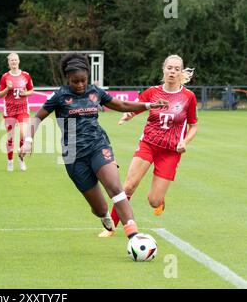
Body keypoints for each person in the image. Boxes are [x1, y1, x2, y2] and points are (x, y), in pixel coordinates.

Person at [19, 54, 168, 240]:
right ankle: (104, 216)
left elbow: (121, 104)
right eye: (75, 82)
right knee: (100, 208)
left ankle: (134, 236)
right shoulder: (60, 96)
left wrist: (148, 105)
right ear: (68, 79)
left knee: (115, 187)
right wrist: (28, 141)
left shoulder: (95, 92)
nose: (80, 85)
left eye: (83, 80)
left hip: (98, 146)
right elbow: (37, 117)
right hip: (73, 155)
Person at [99, 54, 198, 238]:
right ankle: (110, 227)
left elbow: (193, 125)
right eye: (169, 68)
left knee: (153, 201)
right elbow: (137, 107)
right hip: (148, 145)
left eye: (177, 69)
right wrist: (128, 115)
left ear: (181, 72)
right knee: (128, 186)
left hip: (170, 152)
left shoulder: (188, 97)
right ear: (163, 69)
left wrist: (185, 141)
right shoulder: (153, 92)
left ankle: (160, 200)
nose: (172, 72)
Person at [0, 53, 34, 172]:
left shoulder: (26, 75)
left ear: (19, 61)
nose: (14, 62)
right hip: (9, 110)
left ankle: (21, 159)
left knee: (23, 133)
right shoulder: (5, 77)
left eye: (15, 60)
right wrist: (7, 88)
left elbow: (31, 91)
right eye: (11, 60)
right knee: (10, 138)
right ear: (8, 63)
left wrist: (25, 93)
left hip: (23, 109)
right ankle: (10, 161)